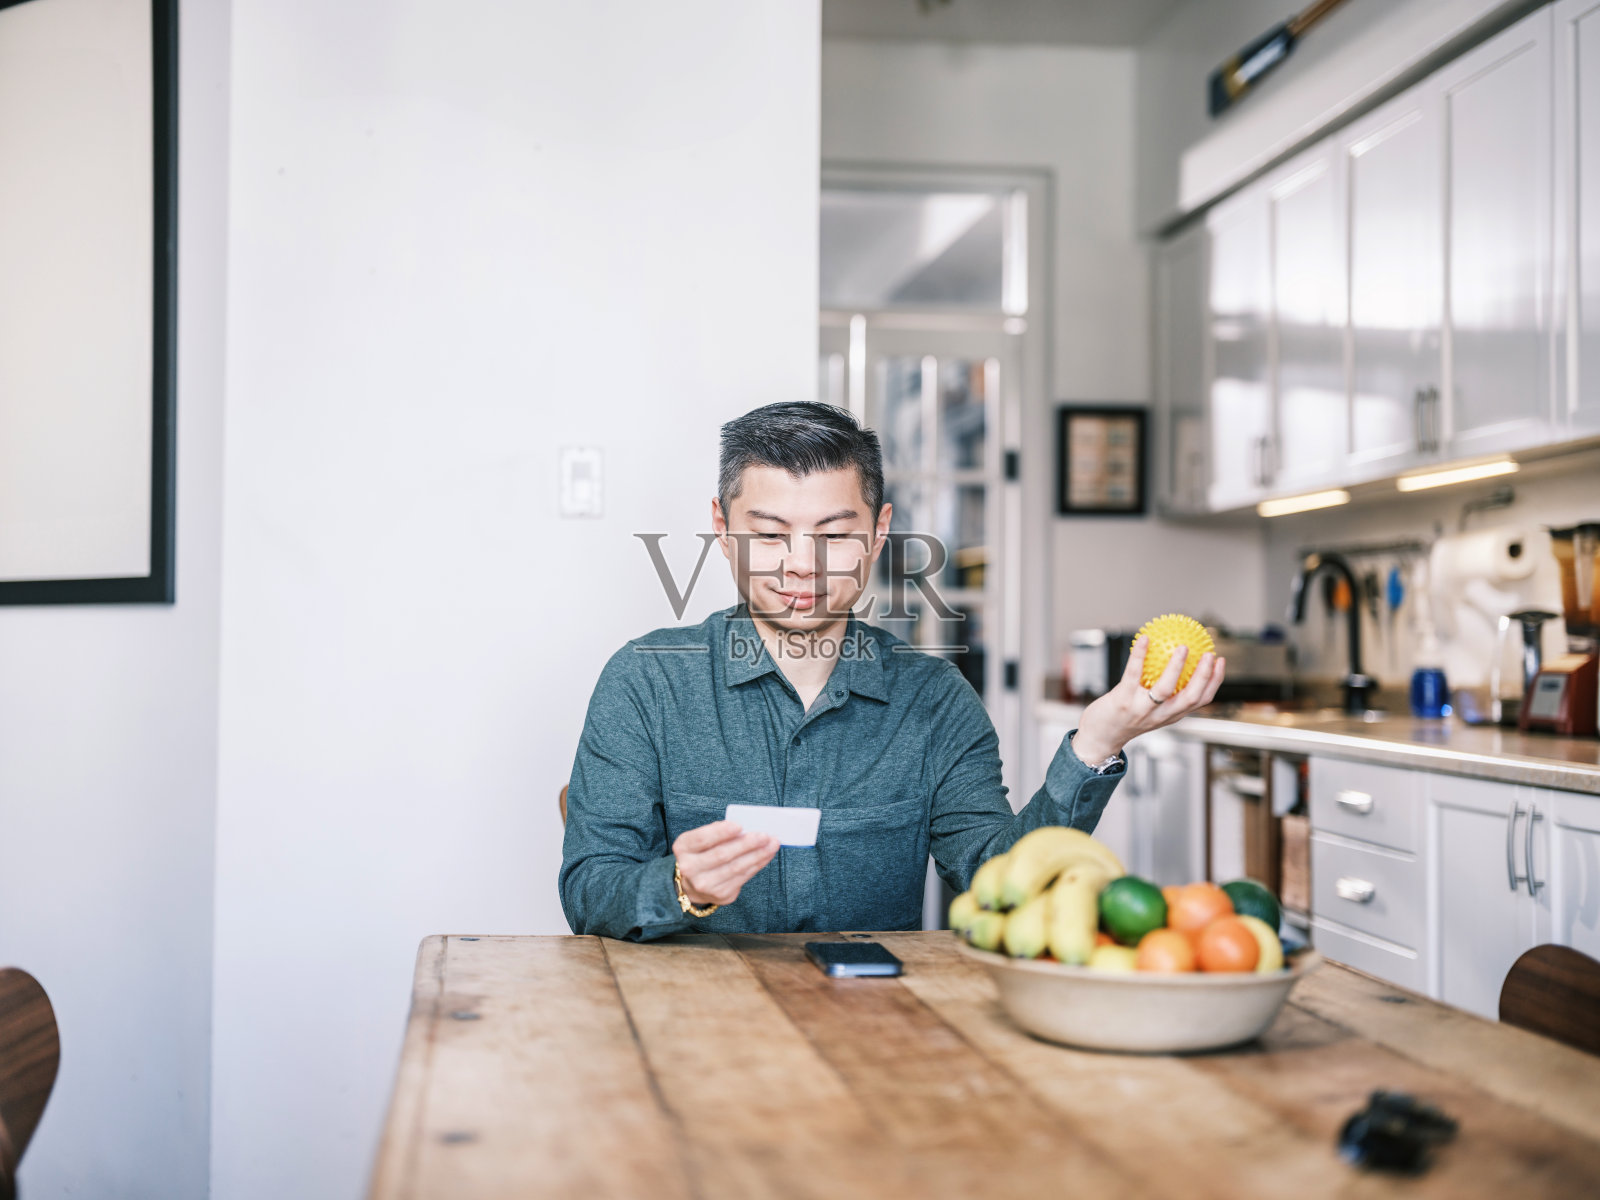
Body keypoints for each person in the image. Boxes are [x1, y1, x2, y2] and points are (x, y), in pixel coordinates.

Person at [559, 402, 1225, 939]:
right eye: (769, 535)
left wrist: (1094, 746)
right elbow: (590, 892)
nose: (801, 566)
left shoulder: (934, 699)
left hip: (876, 1039)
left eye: (833, 535)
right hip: (684, 1033)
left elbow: (999, 883)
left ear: (878, 534)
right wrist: (681, 886)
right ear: (721, 527)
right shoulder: (645, 682)